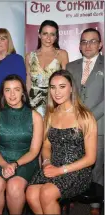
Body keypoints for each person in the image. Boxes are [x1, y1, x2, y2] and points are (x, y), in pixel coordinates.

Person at [26, 70, 97, 215]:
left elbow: (90, 159)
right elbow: (46, 146)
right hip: (53, 165)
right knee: (31, 193)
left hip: (77, 170)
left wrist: (61, 170)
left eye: (62, 86)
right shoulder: (51, 115)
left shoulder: (85, 116)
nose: (57, 92)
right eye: (52, 87)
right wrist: (46, 162)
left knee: (46, 193)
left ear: (71, 88)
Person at [0, 74, 43, 215]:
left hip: (25, 160)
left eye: (16, 89)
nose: (12, 94)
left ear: (23, 92)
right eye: (8, 90)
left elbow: (34, 151)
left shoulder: (35, 116)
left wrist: (15, 164)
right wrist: (5, 164)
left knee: (14, 187)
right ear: (2, 93)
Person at [66, 28, 104, 215]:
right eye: (84, 42)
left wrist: (87, 120)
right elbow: (67, 96)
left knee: (95, 165)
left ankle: (96, 205)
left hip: (99, 125)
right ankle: (71, 196)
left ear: (100, 44)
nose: (88, 45)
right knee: (74, 163)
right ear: (79, 46)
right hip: (73, 125)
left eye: (92, 41)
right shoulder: (70, 67)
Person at [25, 20, 69, 117]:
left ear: (56, 37)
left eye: (52, 34)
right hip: (33, 104)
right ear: (39, 35)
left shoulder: (62, 54)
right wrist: (26, 103)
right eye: (45, 34)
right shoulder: (29, 56)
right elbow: (28, 82)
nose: (48, 38)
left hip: (54, 102)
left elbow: (66, 81)